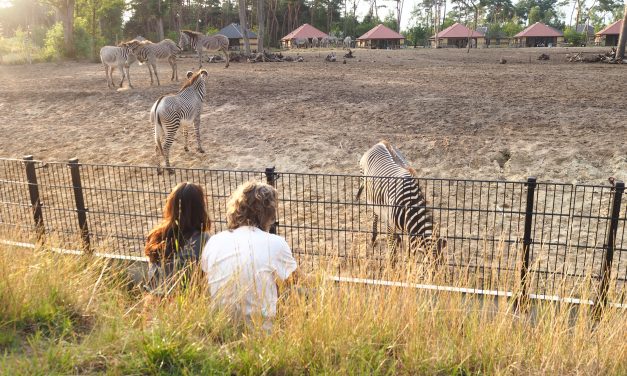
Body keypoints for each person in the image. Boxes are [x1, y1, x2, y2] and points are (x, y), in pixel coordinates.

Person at [201, 181, 297, 331]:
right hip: (260, 331)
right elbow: (296, 280)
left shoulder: (215, 241)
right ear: (270, 213)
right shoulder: (275, 243)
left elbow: (204, 281)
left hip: (220, 328)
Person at [144, 182, 211, 297]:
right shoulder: (203, 239)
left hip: (152, 302)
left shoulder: (156, 235)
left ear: (171, 206)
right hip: (185, 303)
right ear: (200, 208)